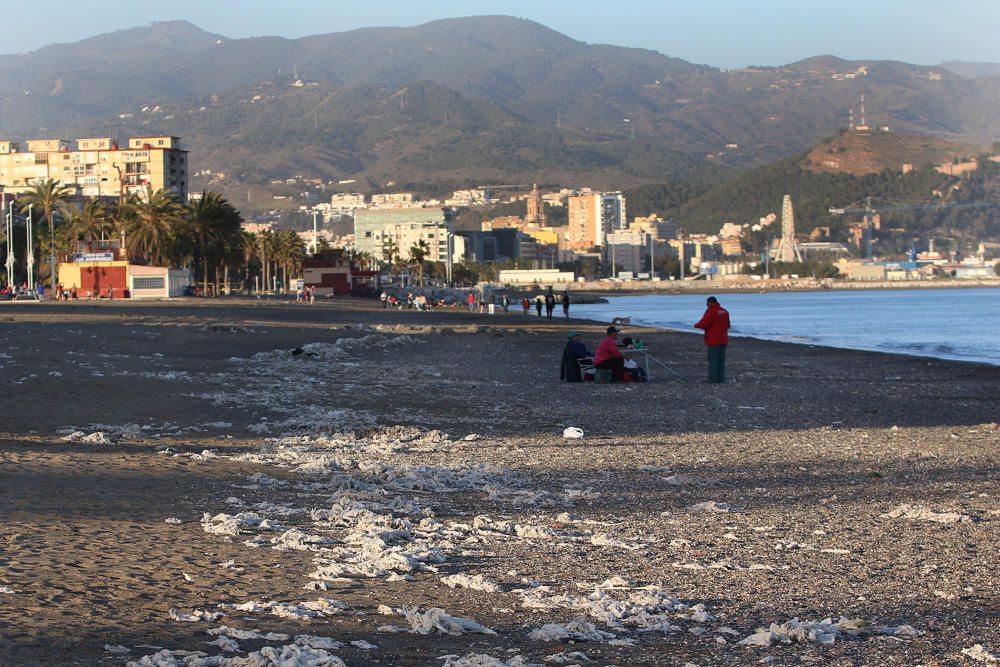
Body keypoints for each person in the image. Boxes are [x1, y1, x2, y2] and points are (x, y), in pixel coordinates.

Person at [694, 296, 731, 383]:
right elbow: (728, 325)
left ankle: (713, 379)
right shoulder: (724, 311)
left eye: (707, 303)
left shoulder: (711, 311)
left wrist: (697, 325)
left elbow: (704, 323)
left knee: (713, 360)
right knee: (721, 360)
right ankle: (721, 379)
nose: (706, 305)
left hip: (714, 340)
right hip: (723, 339)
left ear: (710, 303)